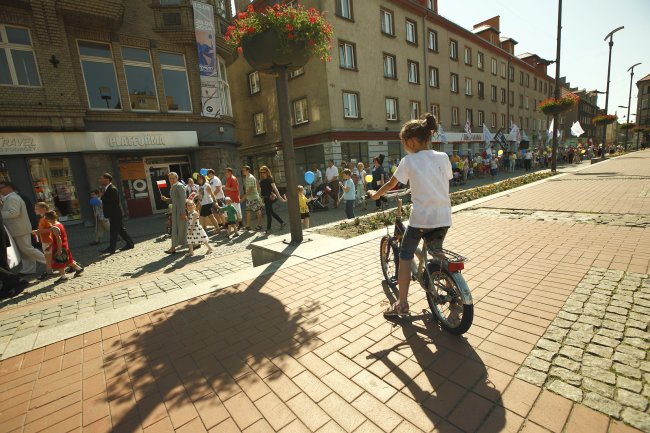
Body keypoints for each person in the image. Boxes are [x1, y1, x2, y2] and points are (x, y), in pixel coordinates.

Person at [368, 113, 452, 316]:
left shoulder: (409, 161)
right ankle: (451, 286)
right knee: (437, 252)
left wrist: (375, 194)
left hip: (421, 219)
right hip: (443, 217)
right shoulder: (443, 156)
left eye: (405, 142)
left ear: (413, 141)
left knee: (405, 257)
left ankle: (402, 303)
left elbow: (392, 184)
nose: (404, 147)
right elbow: (444, 178)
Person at [0, 181, 46, 275]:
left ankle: (52, 262)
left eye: (1, 188)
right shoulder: (10, 198)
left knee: (27, 249)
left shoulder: (12, 198)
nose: (0, 190)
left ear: (9, 187)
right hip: (18, 229)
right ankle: (28, 269)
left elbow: (14, 213)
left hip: (19, 229)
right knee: (24, 251)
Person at [99, 173, 135, 254]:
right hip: (113, 214)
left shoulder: (112, 189)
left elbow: (115, 201)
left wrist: (102, 197)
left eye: (101, 178)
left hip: (115, 214)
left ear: (107, 179)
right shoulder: (106, 189)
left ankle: (111, 248)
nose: (100, 180)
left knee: (113, 231)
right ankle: (130, 243)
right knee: (121, 230)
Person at [44, 211, 83, 282]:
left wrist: (59, 250)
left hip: (59, 247)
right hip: (65, 245)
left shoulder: (54, 227)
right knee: (68, 260)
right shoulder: (59, 224)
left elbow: (58, 239)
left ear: (49, 219)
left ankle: (63, 277)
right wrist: (50, 245)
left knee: (59, 262)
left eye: (46, 219)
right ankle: (78, 269)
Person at [160, 172, 188, 254]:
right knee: (177, 228)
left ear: (177, 178)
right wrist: (166, 199)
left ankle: (174, 247)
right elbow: (174, 200)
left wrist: (183, 213)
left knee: (182, 228)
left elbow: (183, 200)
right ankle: (175, 247)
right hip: (175, 210)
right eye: (170, 178)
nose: (171, 180)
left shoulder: (179, 186)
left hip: (180, 210)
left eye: (173, 178)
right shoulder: (173, 187)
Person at [259, 166, 286, 234]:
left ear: (267, 172)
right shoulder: (262, 180)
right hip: (265, 198)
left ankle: (269, 229)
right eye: (261, 172)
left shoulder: (269, 179)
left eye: (264, 172)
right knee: (270, 212)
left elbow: (275, 188)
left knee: (269, 213)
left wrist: (279, 197)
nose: (262, 173)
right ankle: (282, 222)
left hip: (269, 198)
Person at [32, 202, 55, 280]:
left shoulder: (46, 218)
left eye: (37, 208)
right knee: (50, 256)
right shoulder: (43, 218)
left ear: (44, 209)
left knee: (48, 257)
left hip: (48, 240)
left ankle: (49, 271)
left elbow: (51, 229)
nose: (35, 210)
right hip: (45, 240)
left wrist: (38, 232)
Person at [241, 166, 263, 231]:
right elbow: (257, 184)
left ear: (247, 170)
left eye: (244, 170)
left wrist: (243, 198)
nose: (243, 171)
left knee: (257, 211)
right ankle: (248, 226)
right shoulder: (247, 177)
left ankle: (260, 225)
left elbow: (250, 189)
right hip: (249, 198)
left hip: (253, 198)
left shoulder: (250, 178)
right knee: (248, 211)